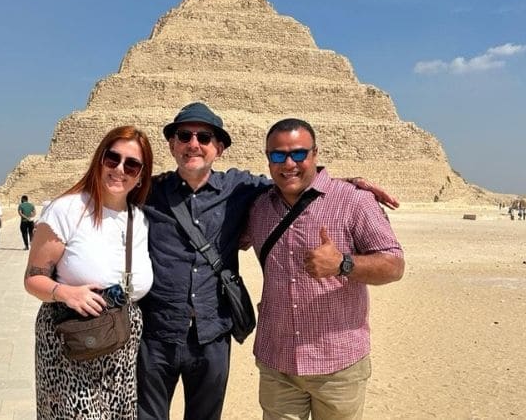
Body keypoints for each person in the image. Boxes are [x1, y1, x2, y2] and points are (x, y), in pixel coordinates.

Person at [137, 103, 399, 420]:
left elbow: (393, 262)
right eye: (185, 135)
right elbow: (103, 187)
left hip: (317, 358)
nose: (194, 143)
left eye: (204, 137)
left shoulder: (245, 192)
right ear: (172, 143)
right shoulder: (148, 191)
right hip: (169, 337)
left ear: (218, 148)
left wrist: (344, 256)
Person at [240, 118, 405, 420]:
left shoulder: (353, 201)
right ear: (267, 159)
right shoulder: (258, 207)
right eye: (278, 155)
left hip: (338, 365)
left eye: (299, 154)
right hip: (278, 362)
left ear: (315, 153)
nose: (289, 163)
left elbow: (394, 265)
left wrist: (343, 263)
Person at [23, 125, 155, 419]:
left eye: (131, 164)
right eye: (113, 158)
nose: (120, 169)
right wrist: (65, 292)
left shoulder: (140, 220)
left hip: (122, 345)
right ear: (99, 159)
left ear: (141, 175)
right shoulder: (66, 210)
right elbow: (33, 279)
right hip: (73, 342)